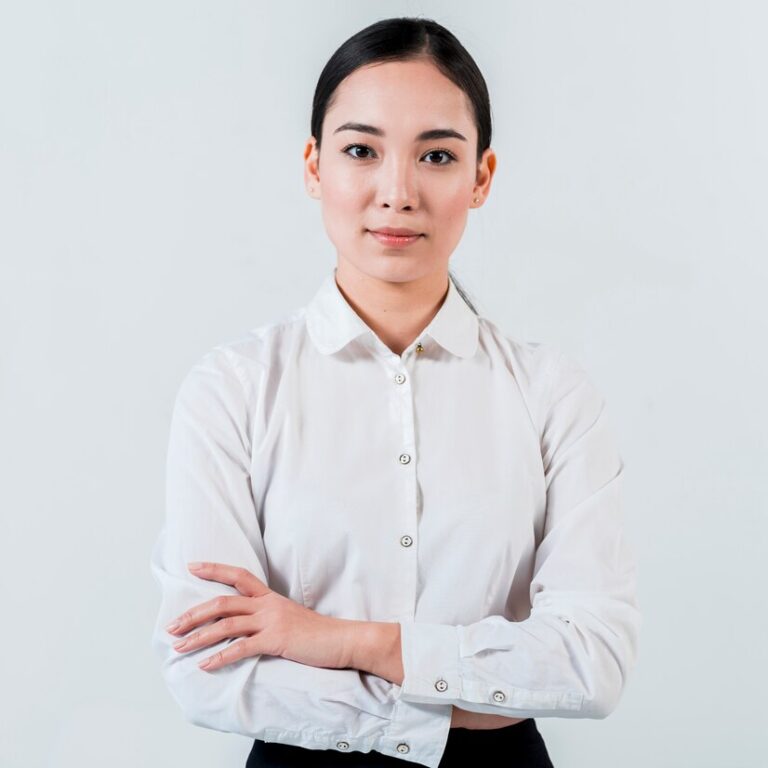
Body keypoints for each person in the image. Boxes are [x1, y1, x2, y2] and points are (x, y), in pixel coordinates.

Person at [149, 16, 641, 768]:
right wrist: (449, 706)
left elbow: (591, 663)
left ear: (481, 177)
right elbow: (206, 672)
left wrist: (332, 641)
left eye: (437, 155)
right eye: (361, 150)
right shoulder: (233, 390)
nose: (397, 192)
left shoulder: (552, 394)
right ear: (315, 166)